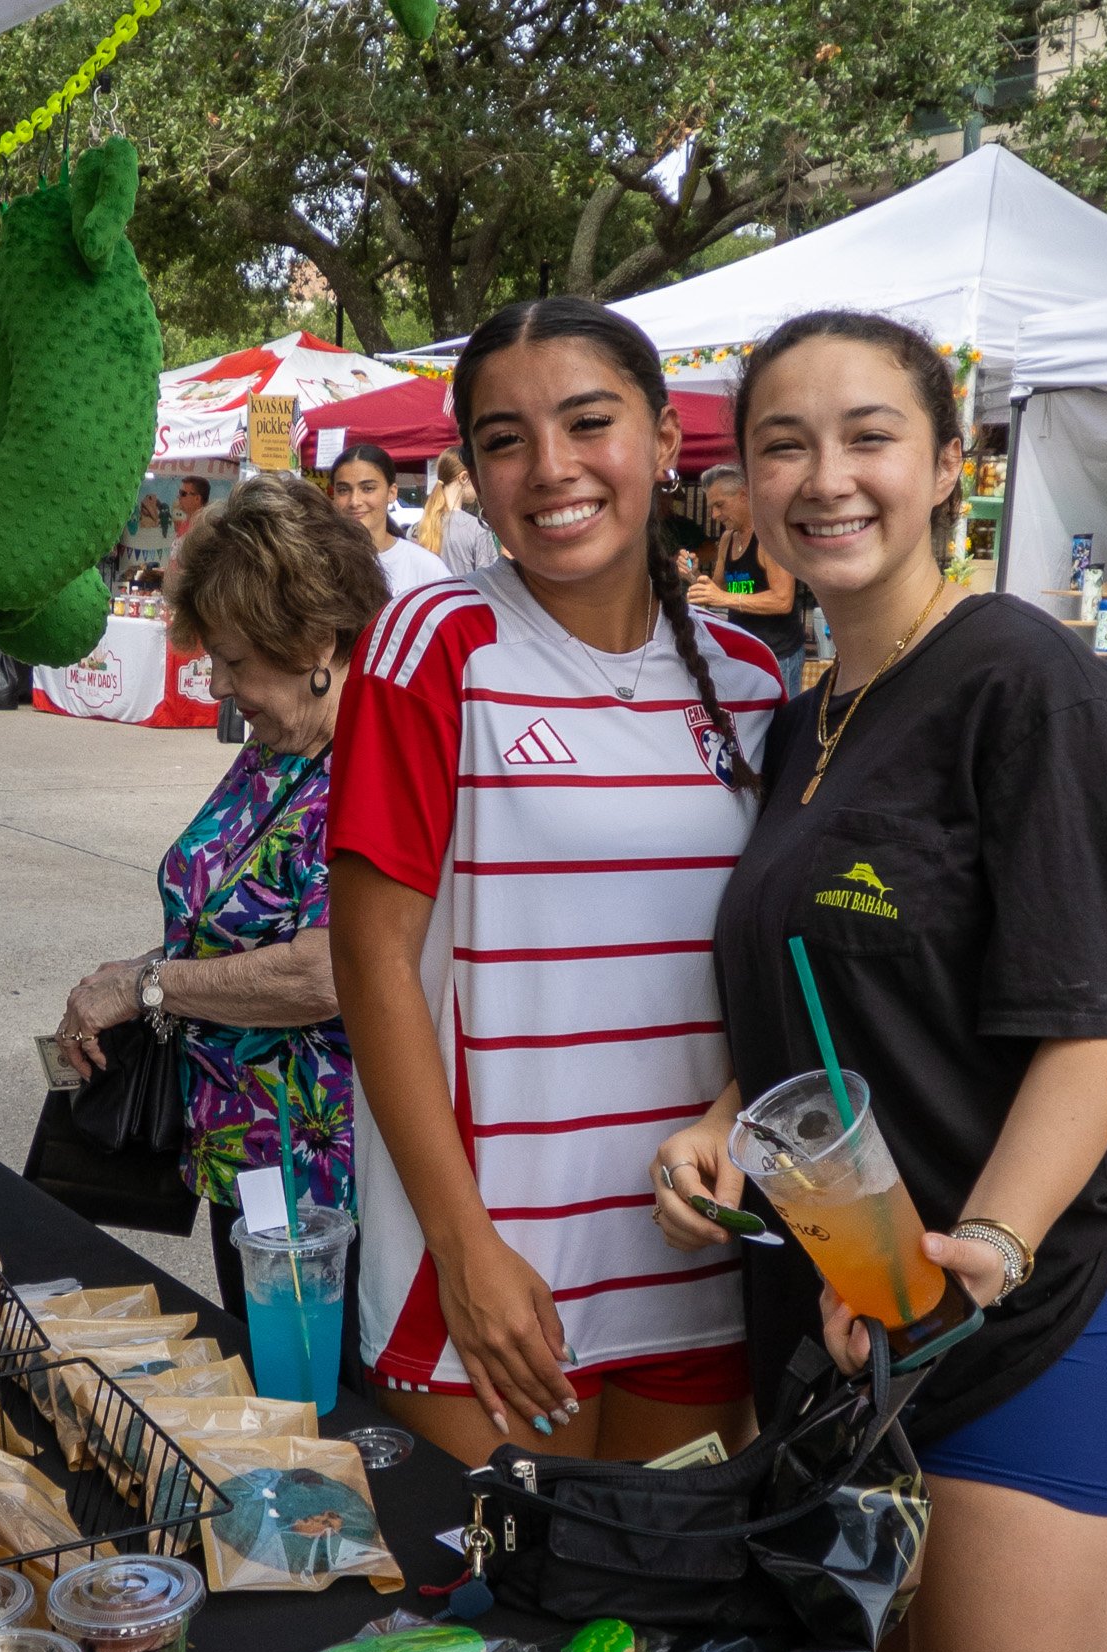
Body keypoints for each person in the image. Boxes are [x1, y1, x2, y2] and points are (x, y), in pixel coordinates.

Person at [652, 310, 1107, 1652]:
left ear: (950, 467)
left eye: (869, 435)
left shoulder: (1029, 687)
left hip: (1032, 1317)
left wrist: (995, 1256)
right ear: (742, 488)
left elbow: (1103, 1022)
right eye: (784, 444)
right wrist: (720, 1123)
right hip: (867, 1319)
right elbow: (813, 983)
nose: (827, 478)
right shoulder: (806, 714)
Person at [326, 296, 783, 1466]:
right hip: (495, 1274)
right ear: (471, 466)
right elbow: (370, 962)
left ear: (665, 442)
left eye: (588, 422)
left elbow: (772, 968)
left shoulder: (749, 680)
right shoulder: (434, 645)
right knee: (510, 1636)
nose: (550, 468)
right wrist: (462, 1242)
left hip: (697, 1262)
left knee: (655, 1634)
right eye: (504, 438)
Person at [55, 475, 388, 1382]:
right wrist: (131, 972)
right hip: (243, 1151)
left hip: (326, 1177)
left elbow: (328, 973)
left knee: (316, 1401)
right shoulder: (281, 745)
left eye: (238, 662)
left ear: (316, 639)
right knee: (268, 1379)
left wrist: (146, 985)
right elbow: (227, 919)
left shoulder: (367, 757)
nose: (223, 685)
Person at [687, 463, 806, 695]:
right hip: (742, 653)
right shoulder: (727, 540)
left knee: (780, 728)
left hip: (777, 655)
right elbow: (716, 591)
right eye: (711, 507)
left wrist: (723, 598)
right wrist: (693, 575)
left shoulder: (769, 536)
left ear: (743, 495)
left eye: (720, 505)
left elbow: (782, 600)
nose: (714, 515)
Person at [332, 442, 449, 595]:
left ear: (392, 492)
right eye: (343, 490)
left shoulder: (426, 567)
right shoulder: (317, 565)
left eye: (368, 488)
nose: (355, 501)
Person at [413, 449, 498, 573]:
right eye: (477, 478)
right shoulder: (477, 529)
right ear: (464, 477)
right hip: (465, 592)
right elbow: (489, 582)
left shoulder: (415, 529)